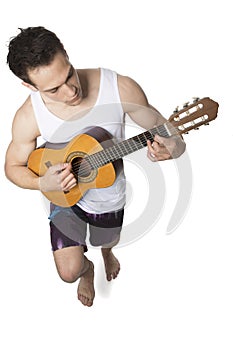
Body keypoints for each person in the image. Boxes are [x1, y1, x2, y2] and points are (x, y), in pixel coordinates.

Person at [5, 26, 186, 307]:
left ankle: (106, 253)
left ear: (66, 54)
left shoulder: (120, 88)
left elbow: (172, 136)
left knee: (109, 239)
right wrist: (41, 183)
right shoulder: (28, 116)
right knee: (68, 273)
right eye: (54, 89)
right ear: (30, 87)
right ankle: (87, 270)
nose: (71, 91)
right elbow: (12, 166)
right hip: (63, 196)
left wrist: (172, 149)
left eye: (68, 74)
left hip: (109, 195)